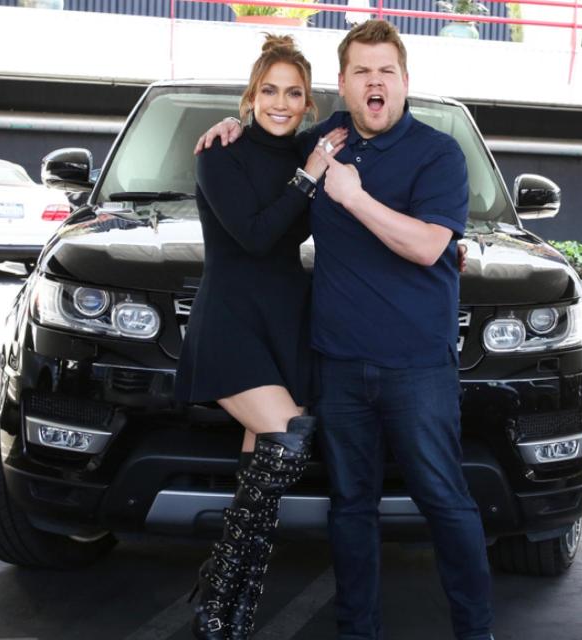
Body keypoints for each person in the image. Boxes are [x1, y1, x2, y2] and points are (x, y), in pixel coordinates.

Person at [196, 20, 494, 640]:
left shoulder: (439, 154)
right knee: (351, 507)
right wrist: (231, 126)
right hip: (334, 363)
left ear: (405, 82)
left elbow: (429, 245)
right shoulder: (322, 145)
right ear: (343, 86)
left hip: (416, 367)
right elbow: (264, 148)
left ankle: (476, 630)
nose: (374, 81)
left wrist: (354, 198)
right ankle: (357, 631)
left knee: (446, 501)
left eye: (386, 70)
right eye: (362, 72)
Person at [175, 35, 346, 640]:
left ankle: (232, 608)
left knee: (263, 473)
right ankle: (218, 585)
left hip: (285, 320)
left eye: (294, 93)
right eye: (269, 90)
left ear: (308, 104)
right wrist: (308, 178)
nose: (281, 102)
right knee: (288, 439)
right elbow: (253, 237)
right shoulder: (220, 153)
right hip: (231, 317)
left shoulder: (310, 147)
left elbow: (364, 116)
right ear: (251, 96)